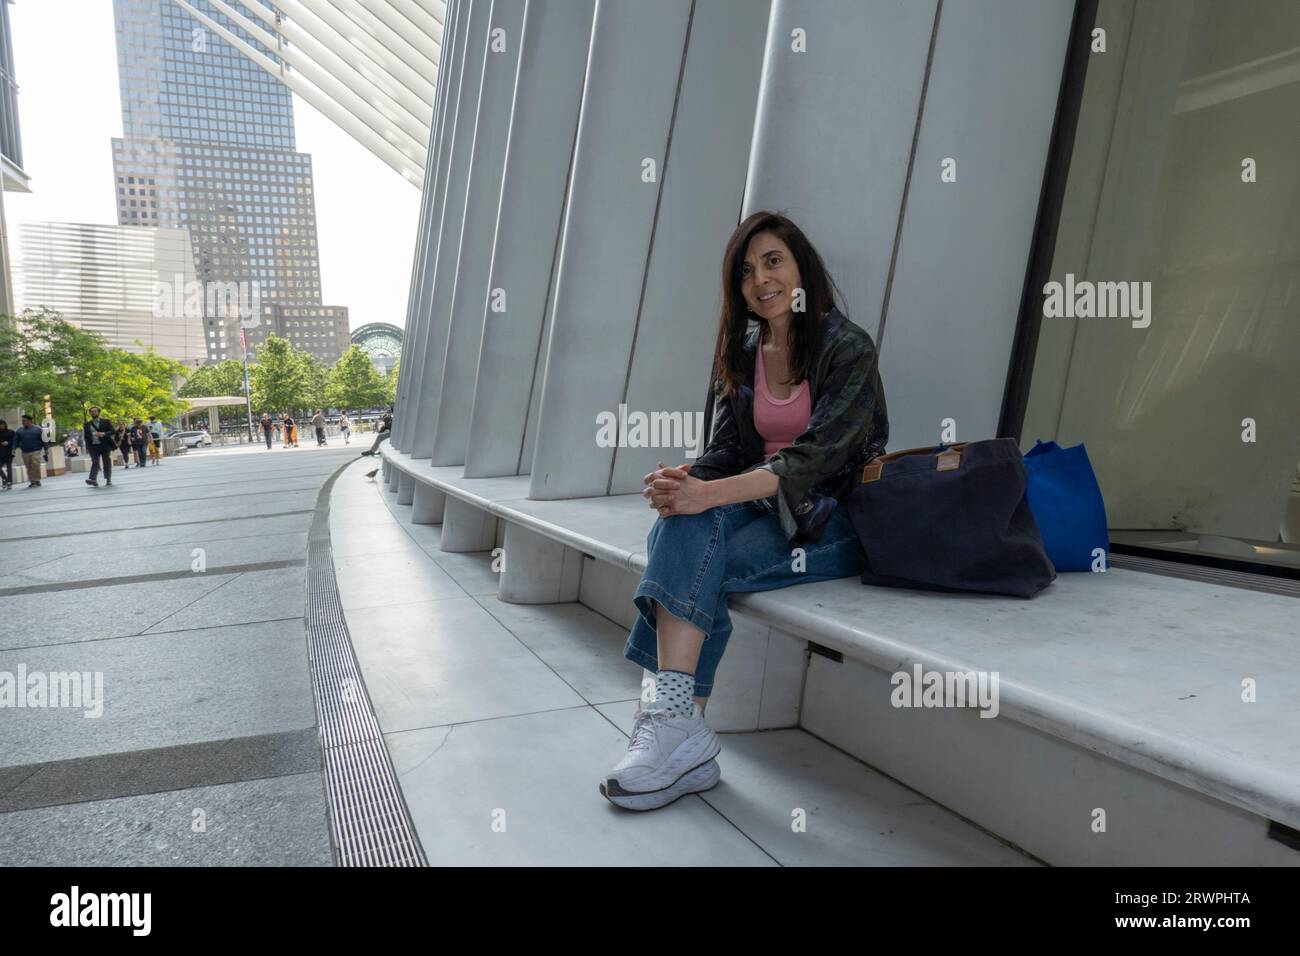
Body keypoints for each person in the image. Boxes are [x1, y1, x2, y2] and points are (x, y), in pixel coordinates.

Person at [601, 212, 888, 811]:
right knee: (682, 523)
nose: (761, 279)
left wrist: (706, 495)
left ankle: (672, 723)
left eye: (773, 261)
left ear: (801, 266)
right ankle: (679, 729)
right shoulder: (746, 345)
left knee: (696, 560)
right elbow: (728, 450)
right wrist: (684, 480)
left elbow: (813, 461)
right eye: (747, 271)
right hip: (759, 506)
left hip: (830, 519)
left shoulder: (847, 347)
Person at [83, 406, 118, 487]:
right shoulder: (87, 424)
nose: (93, 413)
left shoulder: (106, 421)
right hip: (93, 446)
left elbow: (113, 431)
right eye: (92, 411)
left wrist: (104, 433)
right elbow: (86, 437)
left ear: (98, 412)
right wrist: (88, 447)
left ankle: (108, 479)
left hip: (105, 445)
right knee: (95, 461)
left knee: (106, 462)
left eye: (95, 411)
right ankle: (93, 479)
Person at [13, 415, 45, 488]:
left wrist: (46, 450)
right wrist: (13, 448)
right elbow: (15, 440)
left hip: (36, 451)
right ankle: (33, 481)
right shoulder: (19, 430)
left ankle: (36, 479)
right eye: (22, 421)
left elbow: (44, 440)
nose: (23, 422)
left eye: (24, 420)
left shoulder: (38, 429)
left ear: (30, 421)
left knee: (35, 465)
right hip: (25, 452)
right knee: (29, 467)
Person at [0, 419, 14, 490]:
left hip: (9, 453)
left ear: (5, 424)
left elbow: (14, 442)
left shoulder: (10, 432)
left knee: (9, 468)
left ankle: (9, 482)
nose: (1, 426)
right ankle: (4, 479)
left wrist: (8, 443)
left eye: (2, 424)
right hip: (0, 454)